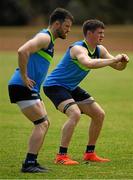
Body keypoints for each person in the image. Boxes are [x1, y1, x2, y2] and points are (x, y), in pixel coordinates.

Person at [43, 19, 129, 165]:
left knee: (99, 114)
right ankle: (61, 156)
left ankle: (90, 153)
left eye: (103, 33)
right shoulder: (78, 48)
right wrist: (114, 59)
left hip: (70, 86)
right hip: (54, 86)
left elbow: (118, 67)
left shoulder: (100, 49)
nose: (102, 36)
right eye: (99, 33)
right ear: (89, 33)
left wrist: (123, 62)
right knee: (74, 113)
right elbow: (88, 63)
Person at [8, 8, 73, 172]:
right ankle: (29, 164)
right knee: (41, 123)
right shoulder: (45, 37)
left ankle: (32, 162)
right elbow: (22, 50)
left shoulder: (49, 40)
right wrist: (24, 77)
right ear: (57, 24)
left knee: (44, 123)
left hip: (29, 87)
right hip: (22, 85)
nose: (68, 30)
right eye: (66, 26)